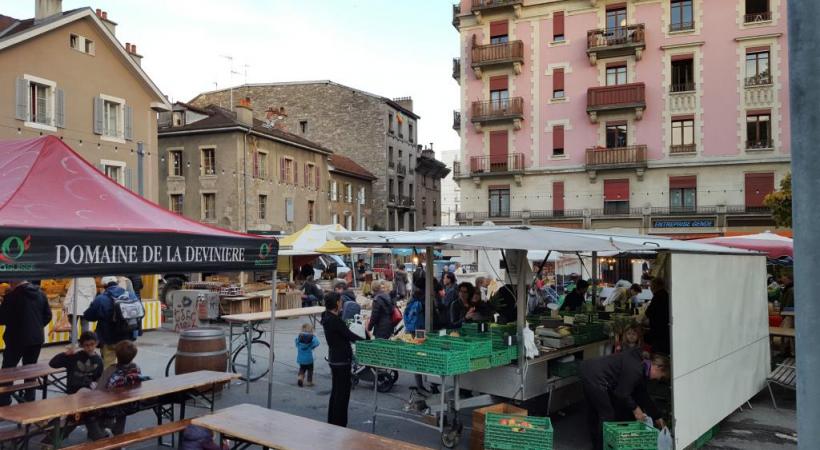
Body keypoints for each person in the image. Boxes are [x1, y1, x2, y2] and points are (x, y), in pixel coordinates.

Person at [580, 349, 670, 450]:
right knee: (607, 415)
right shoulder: (636, 369)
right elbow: (622, 393)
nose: (658, 379)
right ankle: (600, 447)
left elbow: (642, 394)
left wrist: (657, 416)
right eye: (661, 376)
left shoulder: (641, 363)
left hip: (589, 368)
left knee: (595, 411)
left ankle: (597, 444)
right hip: (596, 376)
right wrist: (636, 409)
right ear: (658, 367)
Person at [0, 279, 52, 405]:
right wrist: (37, 326)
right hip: (36, 339)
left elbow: (2, 318)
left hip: (15, 339)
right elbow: (48, 316)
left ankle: (4, 399)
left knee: (8, 369)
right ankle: (30, 398)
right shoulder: (41, 294)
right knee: (30, 369)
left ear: (13, 282)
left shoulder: (11, 297)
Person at [87, 340, 148, 441]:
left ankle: (99, 435)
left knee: (90, 412)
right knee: (123, 399)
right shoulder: (136, 368)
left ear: (116, 354)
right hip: (131, 405)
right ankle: (118, 432)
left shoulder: (110, 370)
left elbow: (98, 391)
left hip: (111, 407)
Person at [322, 292, 366, 427]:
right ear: (336, 303)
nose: (342, 304)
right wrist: (366, 340)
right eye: (340, 302)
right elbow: (349, 335)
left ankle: (332, 421)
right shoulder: (334, 320)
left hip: (334, 359)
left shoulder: (327, 317)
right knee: (342, 394)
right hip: (341, 360)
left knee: (336, 392)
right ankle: (339, 423)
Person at [83, 276, 139, 368]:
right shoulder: (131, 295)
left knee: (108, 367)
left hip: (108, 338)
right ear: (117, 282)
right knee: (127, 365)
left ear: (104, 285)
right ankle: (126, 380)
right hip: (127, 337)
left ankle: (110, 381)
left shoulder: (101, 299)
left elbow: (89, 316)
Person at [643, 277, 670, 355]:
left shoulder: (658, 296)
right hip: (663, 330)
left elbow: (647, 313)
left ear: (655, 286)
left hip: (659, 332)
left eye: (651, 286)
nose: (650, 288)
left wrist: (638, 321)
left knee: (658, 352)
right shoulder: (665, 294)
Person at [295, 323, 320, 387]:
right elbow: (317, 343)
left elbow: (296, 343)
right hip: (309, 359)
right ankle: (309, 382)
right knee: (310, 370)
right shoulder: (312, 337)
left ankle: (300, 378)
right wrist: (312, 346)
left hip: (301, 358)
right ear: (311, 330)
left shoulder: (299, 336)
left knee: (302, 369)